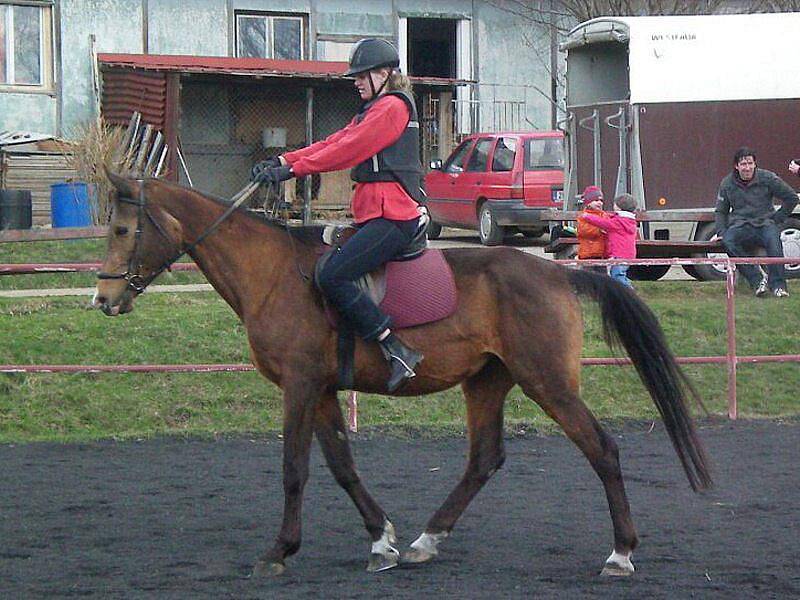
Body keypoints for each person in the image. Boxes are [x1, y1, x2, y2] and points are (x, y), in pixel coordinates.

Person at [250, 38, 425, 392]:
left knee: (331, 274)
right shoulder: (372, 110)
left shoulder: (391, 108)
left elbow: (348, 151)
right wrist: (285, 160)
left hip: (394, 216)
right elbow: (333, 141)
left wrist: (294, 172)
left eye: (362, 76)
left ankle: (396, 348)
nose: (356, 82)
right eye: (356, 76)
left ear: (384, 74)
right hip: (375, 214)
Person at [714, 147, 798, 298]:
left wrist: (778, 218)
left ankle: (779, 286)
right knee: (728, 241)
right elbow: (721, 211)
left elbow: (791, 197)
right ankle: (757, 280)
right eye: (743, 164)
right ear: (736, 166)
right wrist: (721, 232)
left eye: (750, 163)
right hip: (740, 226)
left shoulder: (768, 178)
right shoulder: (727, 183)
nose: (747, 168)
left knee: (774, 244)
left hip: (765, 224)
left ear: (755, 164)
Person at [578, 193, 638, 288]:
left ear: (618, 207)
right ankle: (625, 292)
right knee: (619, 274)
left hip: (619, 254)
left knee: (617, 276)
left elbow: (603, 223)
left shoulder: (617, 222)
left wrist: (587, 216)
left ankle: (629, 292)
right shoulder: (629, 220)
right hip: (628, 254)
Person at [576, 185, 607, 263]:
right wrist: (599, 229)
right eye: (596, 200)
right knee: (588, 273)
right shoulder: (584, 216)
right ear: (588, 203)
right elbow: (583, 231)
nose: (600, 203)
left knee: (601, 273)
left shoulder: (604, 215)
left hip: (602, 252)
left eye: (601, 200)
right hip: (588, 253)